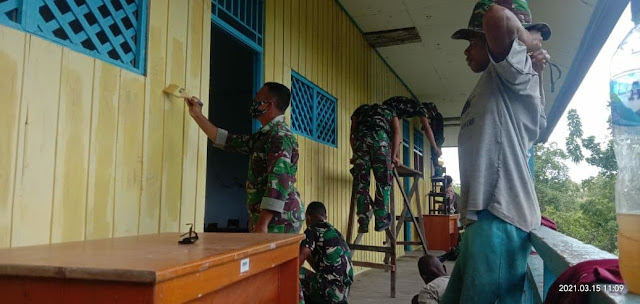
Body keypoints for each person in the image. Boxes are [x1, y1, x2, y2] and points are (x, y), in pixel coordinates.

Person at [441, 0, 551, 303]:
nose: (466, 51)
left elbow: (495, 17)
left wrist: (527, 42)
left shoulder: (516, 72)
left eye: (473, 40)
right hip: (483, 219)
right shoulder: (499, 80)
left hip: (501, 218)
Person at [184, 82, 304, 233]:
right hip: (268, 219)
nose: (254, 101)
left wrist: (262, 223)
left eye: (258, 99)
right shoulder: (264, 136)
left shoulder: (280, 136)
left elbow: (279, 181)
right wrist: (197, 114)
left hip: (280, 220)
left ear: (268, 105)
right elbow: (227, 141)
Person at [350, 103, 400, 233]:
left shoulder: (360, 110)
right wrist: (394, 156)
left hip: (361, 143)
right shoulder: (389, 110)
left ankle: (363, 221)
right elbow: (396, 133)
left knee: (361, 184)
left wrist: (356, 154)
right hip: (380, 142)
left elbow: (353, 134)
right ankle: (381, 219)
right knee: (383, 182)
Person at [299, 201, 353, 304]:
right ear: (325, 217)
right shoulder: (335, 232)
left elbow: (298, 262)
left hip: (329, 291)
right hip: (343, 293)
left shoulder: (311, 230)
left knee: (292, 273)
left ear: (308, 217)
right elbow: (321, 265)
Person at [382, 96, 442, 164]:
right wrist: (435, 147)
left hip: (386, 109)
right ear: (428, 111)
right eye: (429, 116)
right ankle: (393, 157)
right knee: (397, 133)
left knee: (396, 136)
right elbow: (427, 128)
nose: (427, 117)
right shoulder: (422, 109)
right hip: (389, 109)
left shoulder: (412, 106)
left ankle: (396, 158)